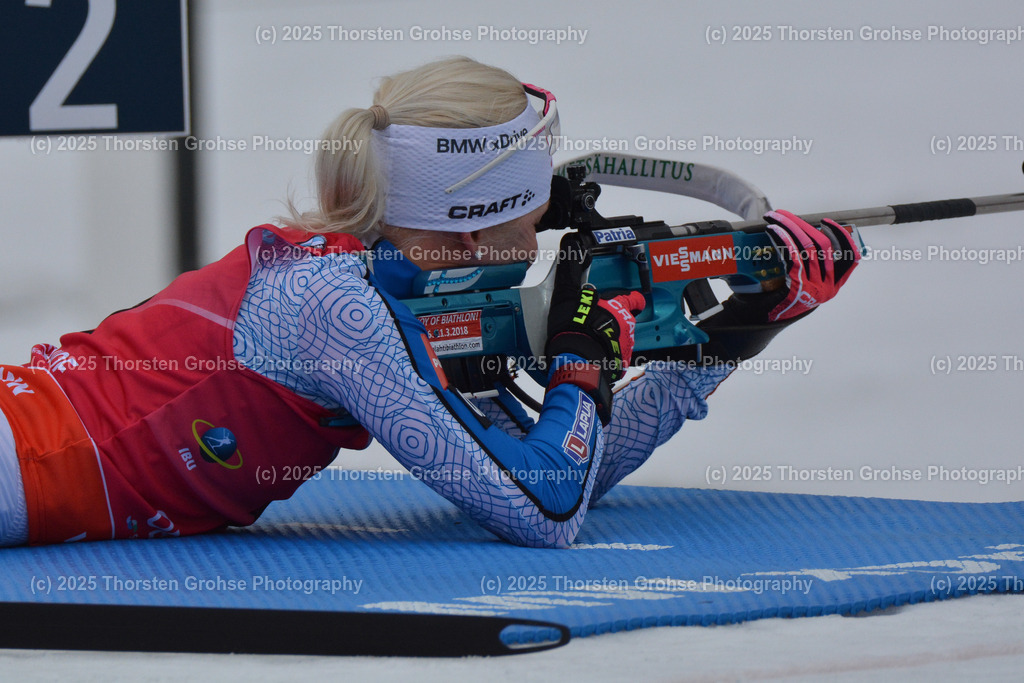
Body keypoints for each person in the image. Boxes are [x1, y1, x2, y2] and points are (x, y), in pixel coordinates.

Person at [0, 56, 859, 549]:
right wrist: (582, 356)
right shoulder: (339, 308)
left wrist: (730, 335)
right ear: (472, 226)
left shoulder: (406, 289)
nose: (548, 228)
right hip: (25, 457)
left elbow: (562, 470)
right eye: (535, 209)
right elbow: (543, 511)